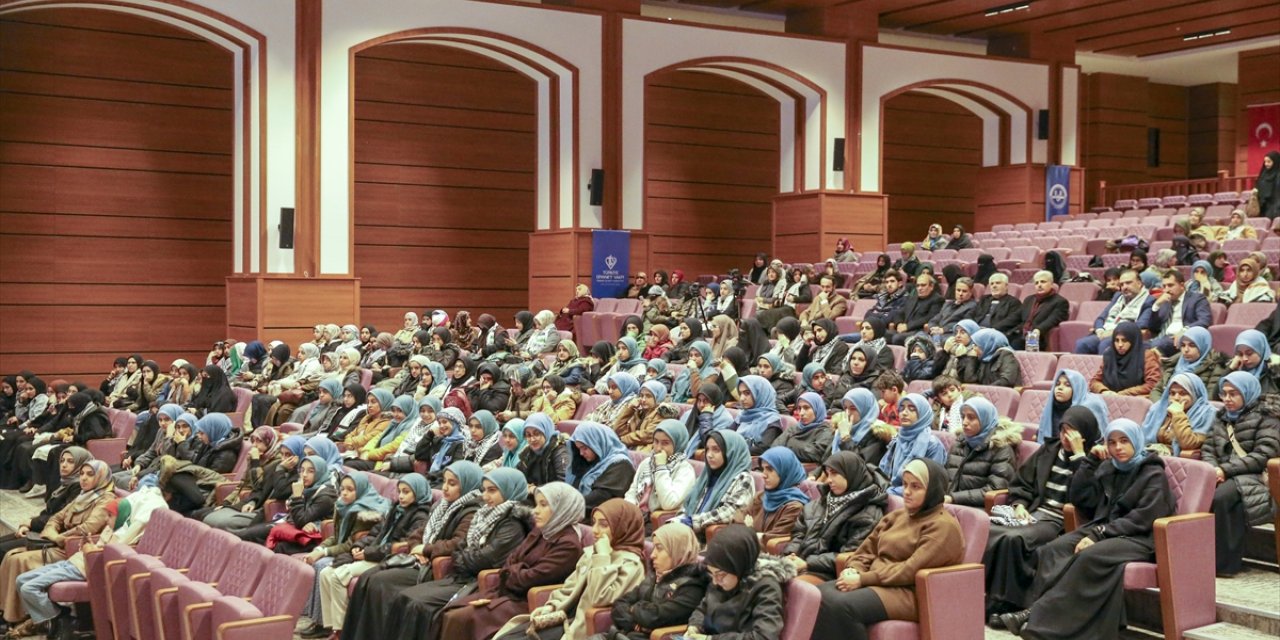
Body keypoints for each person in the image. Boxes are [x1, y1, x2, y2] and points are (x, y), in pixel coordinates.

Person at [1000, 420, 1175, 640]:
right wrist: (1090, 460)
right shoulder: (1110, 468)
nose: (1118, 448)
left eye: (1124, 441)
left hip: (1140, 538)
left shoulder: (1152, 474)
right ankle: (1034, 613)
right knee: (1053, 549)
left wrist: (1100, 533)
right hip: (1106, 529)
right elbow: (1081, 497)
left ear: (1136, 441)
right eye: (1112, 442)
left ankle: (1037, 621)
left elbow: (1143, 518)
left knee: (1088, 555)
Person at [357, 468, 532, 640]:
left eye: (492, 491)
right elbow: (460, 548)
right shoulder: (483, 514)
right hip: (459, 575)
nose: (485, 496)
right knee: (403, 597)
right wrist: (454, 555)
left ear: (510, 490)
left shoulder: (512, 523)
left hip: (478, 582)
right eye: (485, 490)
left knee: (418, 604)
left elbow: (481, 558)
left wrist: (446, 554)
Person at [810, 458, 965, 640]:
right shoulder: (897, 516)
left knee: (841, 605)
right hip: (878, 582)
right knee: (818, 595)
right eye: (905, 485)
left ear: (932, 490)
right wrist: (854, 569)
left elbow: (910, 570)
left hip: (910, 592)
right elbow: (866, 550)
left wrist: (863, 579)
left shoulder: (943, 526)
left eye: (916, 487)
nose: (906, 492)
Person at [338, 462, 483, 640]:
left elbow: (456, 543)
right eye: (444, 482)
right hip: (418, 559)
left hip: (436, 568)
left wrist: (426, 549)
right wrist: (416, 548)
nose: (444, 488)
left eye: (452, 484)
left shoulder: (471, 511)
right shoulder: (441, 506)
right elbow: (417, 534)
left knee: (380, 581)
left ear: (467, 483)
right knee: (369, 577)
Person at [983, 405, 1102, 621]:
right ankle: (986, 596)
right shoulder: (1049, 449)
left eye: (1072, 433)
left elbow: (1086, 499)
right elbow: (1022, 483)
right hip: (1033, 511)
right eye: (1063, 430)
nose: (1066, 437)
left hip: (1059, 520)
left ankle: (1008, 603)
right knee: (989, 531)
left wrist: (1079, 457)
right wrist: (1019, 504)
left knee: (1014, 539)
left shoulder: (1094, 459)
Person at [434, 483, 587, 640]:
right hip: (506, 591)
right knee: (448, 611)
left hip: (528, 602)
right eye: (536, 504)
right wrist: (517, 569)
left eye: (543, 505)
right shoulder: (543, 530)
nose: (536, 511)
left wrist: (513, 571)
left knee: (460, 618)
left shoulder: (568, 544)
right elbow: (511, 559)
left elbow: (531, 578)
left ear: (562, 509)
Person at [489, 499, 646, 640]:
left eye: (603, 525)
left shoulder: (631, 564)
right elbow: (569, 587)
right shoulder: (593, 552)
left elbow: (600, 598)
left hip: (584, 624)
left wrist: (603, 558)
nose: (595, 530)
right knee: (508, 635)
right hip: (563, 616)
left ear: (623, 527)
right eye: (594, 523)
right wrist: (551, 606)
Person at [0, 460, 114, 632]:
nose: (83, 478)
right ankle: (8, 614)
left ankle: (22, 617)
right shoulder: (83, 495)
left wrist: (60, 537)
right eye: (82, 473)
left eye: (90, 474)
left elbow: (88, 528)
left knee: (18, 560)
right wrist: (54, 534)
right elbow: (56, 518)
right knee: (10, 556)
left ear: (101, 477)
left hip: (73, 549)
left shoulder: (105, 500)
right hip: (58, 543)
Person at [1202, 372, 1280, 576]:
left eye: (1233, 394)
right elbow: (1208, 448)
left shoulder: (1267, 417)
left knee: (1223, 496)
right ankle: (1201, 557)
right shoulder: (1220, 418)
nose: (1227, 399)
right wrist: (1213, 471)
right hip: (1225, 474)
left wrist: (1225, 470)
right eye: (1224, 394)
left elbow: (1265, 454)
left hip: (1256, 475)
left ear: (1247, 393)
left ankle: (1224, 564)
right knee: (1199, 492)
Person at [297, 471, 393, 636]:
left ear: (361, 489)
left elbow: (350, 543)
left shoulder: (367, 512)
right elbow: (337, 536)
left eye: (350, 489)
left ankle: (329, 626)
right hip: (349, 548)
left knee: (322, 565)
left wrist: (325, 552)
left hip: (358, 551)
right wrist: (319, 549)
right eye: (342, 489)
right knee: (317, 562)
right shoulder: (343, 505)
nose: (344, 493)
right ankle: (322, 622)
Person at [595, 521, 708, 640]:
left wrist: (634, 607)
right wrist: (634, 624)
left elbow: (654, 618)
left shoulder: (692, 585)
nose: (653, 555)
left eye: (659, 548)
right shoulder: (654, 576)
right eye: (654, 548)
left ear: (678, 550)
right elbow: (619, 604)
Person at [679, 524, 791, 640]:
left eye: (720, 574)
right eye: (711, 573)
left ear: (738, 566)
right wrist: (695, 625)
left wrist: (711, 639)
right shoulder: (721, 577)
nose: (715, 581)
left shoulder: (766, 587)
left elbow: (764, 636)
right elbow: (703, 608)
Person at [943, 397, 1018, 508]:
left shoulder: (1001, 448)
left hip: (977, 509)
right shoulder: (960, 443)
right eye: (963, 417)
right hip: (949, 504)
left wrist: (953, 498)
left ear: (985, 419)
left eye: (971, 418)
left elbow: (995, 490)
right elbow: (944, 477)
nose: (964, 422)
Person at [677, 431, 754, 539]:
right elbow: (688, 503)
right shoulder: (706, 475)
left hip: (715, 541)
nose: (709, 455)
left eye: (716, 450)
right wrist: (679, 520)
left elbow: (731, 511)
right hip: (688, 534)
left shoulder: (743, 478)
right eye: (707, 449)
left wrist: (692, 522)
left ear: (731, 452)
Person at [623, 419, 697, 527]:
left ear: (677, 444)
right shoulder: (647, 463)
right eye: (656, 441)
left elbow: (669, 503)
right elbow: (632, 493)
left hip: (659, 523)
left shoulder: (685, 470)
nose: (658, 448)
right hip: (636, 517)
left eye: (665, 443)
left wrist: (661, 468)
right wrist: (629, 513)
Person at [879, 395, 947, 496]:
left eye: (912, 409)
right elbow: (883, 470)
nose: (904, 413)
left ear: (922, 414)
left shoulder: (933, 445)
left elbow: (929, 484)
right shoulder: (899, 438)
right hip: (889, 492)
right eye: (901, 408)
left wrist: (889, 493)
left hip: (914, 498)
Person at [1074, 269, 1153, 355]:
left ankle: (1105, 369)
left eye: (1128, 283)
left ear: (1139, 283)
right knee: (1082, 344)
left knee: (1105, 344)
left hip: (1125, 336)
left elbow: (1141, 325)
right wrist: (1100, 330)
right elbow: (1100, 318)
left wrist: (1112, 332)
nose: (1124, 287)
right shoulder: (1118, 296)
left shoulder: (1149, 300)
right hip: (1105, 332)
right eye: (1122, 284)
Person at [566, 423, 635, 516]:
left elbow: (599, 498)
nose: (581, 453)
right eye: (579, 449)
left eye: (584, 448)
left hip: (601, 518)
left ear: (597, 442)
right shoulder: (591, 460)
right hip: (581, 512)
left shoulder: (621, 465)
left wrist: (565, 508)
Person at [740, 447, 809, 540]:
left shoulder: (794, 507)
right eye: (763, 469)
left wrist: (745, 536)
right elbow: (738, 520)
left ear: (785, 471)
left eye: (770, 469)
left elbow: (772, 539)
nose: (764, 475)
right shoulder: (760, 496)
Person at [1141, 373, 1215, 458]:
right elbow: (1142, 438)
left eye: (1183, 393)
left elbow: (1189, 444)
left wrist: (1178, 414)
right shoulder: (1159, 408)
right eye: (1172, 393)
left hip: (1177, 460)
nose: (1176, 398)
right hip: (1152, 454)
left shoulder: (1207, 412)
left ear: (1195, 394)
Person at [1146, 269, 1212, 357]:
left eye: (1170, 285)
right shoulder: (1164, 302)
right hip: (1162, 338)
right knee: (1137, 346)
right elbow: (1153, 328)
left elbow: (1205, 320)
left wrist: (1185, 331)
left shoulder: (1197, 298)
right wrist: (1156, 306)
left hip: (1183, 339)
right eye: (1164, 286)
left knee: (1155, 346)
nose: (1166, 290)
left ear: (1182, 285)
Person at [1088, 321, 1160, 397]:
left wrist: (1123, 394)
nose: (1120, 345)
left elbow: (1153, 384)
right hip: (1109, 398)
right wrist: (1104, 391)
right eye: (1116, 340)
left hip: (1135, 401)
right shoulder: (1110, 354)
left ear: (1133, 341)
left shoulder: (1146, 355)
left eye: (1124, 340)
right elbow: (1094, 381)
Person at [830, 389, 894, 468]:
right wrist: (815, 475)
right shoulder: (843, 428)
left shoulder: (877, 434)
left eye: (853, 408)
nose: (848, 413)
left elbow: (859, 465)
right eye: (845, 408)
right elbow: (827, 459)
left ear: (865, 409)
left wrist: (846, 439)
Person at [772, 391, 833, 464]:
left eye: (806, 408)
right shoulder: (794, 428)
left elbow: (815, 454)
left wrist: (790, 443)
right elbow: (774, 448)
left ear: (817, 409)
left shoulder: (826, 430)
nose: (801, 413)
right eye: (799, 408)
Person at [1015, 270, 1070, 349]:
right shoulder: (1029, 299)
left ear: (1051, 284)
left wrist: (1038, 330)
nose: (1039, 285)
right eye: (1036, 283)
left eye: (1043, 282)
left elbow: (1053, 320)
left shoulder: (1060, 302)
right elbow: (1017, 317)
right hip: (1021, 334)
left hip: (1040, 337)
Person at [732, 375, 785, 456]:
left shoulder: (772, 421)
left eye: (747, 393)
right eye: (741, 393)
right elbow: (726, 437)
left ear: (761, 394)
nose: (742, 398)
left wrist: (733, 451)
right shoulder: (742, 416)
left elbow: (762, 449)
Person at [886, 273, 943, 345]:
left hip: (919, 331)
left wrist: (907, 327)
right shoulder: (913, 297)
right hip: (904, 329)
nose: (919, 288)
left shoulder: (937, 299)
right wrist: (899, 324)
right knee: (882, 334)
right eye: (918, 285)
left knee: (897, 338)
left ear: (931, 286)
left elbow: (929, 318)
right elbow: (900, 312)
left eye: (923, 285)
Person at [519, 413, 571, 493]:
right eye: (528, 435)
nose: (532, 439)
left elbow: (565, 487)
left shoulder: (559, 451)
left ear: (546, 431)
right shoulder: (528, 452)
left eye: (537, 434)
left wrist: (536, 490)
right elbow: (518, 476)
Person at [957, 328, 1022, 388]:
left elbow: (1007, 380)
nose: (974, 348)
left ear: (987, 344)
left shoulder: (1006, 355)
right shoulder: (983, 357)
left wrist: (986, 389)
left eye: (976, 345)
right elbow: (970, 380)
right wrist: (972, 358)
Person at [1256, 151, 1280, 219]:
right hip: (1263, 206)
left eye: (1269, 162)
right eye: (1265, 162)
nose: (1266, 164)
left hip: (1276, 206)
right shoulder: (1263, 174)